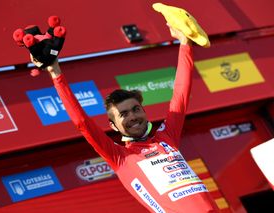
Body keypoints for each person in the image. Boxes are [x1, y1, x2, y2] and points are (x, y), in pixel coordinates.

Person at [31, 26, 219, 212]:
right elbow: (83, 123)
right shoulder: (120, 157)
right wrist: (55, 72)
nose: (133, 117)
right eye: (124, 114)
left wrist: (185, 43)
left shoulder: (166, 137)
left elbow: (181, 94)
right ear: (113, 126)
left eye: (136, 109)